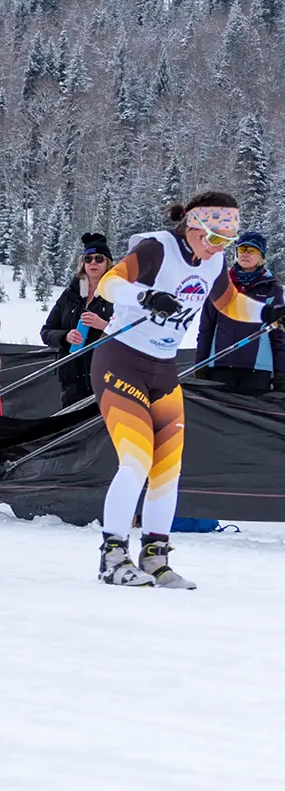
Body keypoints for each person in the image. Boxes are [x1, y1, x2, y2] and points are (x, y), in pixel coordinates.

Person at [89, 192, 282, 588]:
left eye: (225, 241)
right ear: (192, 226)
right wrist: (146, 296)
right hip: (120, 360)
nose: (217, 248)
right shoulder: (157, 248)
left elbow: (229, 303)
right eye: (212, 238)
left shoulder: (213, 261)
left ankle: (155, 557)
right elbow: (109, 285)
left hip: (163, 369)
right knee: (136, 460)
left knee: (168, 468)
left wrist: (267, 312)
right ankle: (112, 557)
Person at [195, 232, 284, 395]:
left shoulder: (272, 288)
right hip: (221, 365)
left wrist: (281, 375)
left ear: (262, 256)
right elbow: (206, 328)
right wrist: (201, 365)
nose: (245, 253)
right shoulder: (221, 284)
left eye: (252, 250)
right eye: (242, 249)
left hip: (257, 370)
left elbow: (279, 336)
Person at [39, 234, 114, 407]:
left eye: (99, 258)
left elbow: (132, 335)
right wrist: (65, 337)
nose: (93, 263)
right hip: (71, 378)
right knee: (71, 429)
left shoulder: (118, 294)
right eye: (88, 259)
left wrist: (104, 325)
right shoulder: (70, 295)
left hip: (107, 377)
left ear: (108, 263)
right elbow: (46, 332)